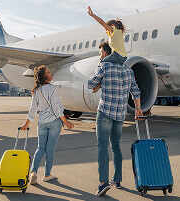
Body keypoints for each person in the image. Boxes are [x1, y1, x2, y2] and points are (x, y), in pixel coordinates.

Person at [87, 42, 143, 197]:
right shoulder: (127, 69)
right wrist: (138, 109)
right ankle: (117, 180)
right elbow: (136, 92)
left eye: (100, 53)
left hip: (105, 112)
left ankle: (103, 182)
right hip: (120, 114)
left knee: (102, 146)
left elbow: (90, 83)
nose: (100, 55)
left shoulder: (104, 66)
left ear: (105, 54)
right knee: (116, 146)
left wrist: (99, 70)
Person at [21, 65, 74, 185]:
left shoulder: (36, 90)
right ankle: (47, 175)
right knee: (50, 149)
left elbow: (33, 109)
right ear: (44, 76)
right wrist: (66, 122)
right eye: (49, 72)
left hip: (42, 123)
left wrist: (26, 124)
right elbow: (57, 108)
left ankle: (33, 172)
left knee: (40, 148)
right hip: (55, 122)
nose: (51, 74)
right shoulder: (52, 88)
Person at [88, 6, 127, 93]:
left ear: (112, 26)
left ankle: (98, 83)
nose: (106, 31)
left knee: (102, 63)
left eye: (106, 29)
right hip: (124, 57)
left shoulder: (113, 30)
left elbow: (102, 22)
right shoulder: (120, 33)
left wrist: (93, 15)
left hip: (117, 55)